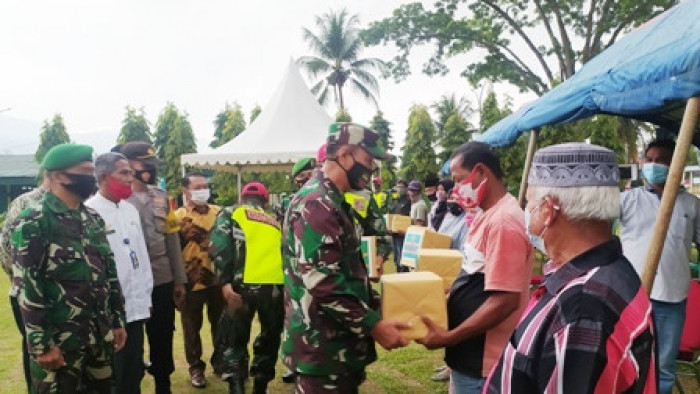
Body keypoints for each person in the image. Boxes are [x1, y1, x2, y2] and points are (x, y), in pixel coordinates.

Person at [485, 143, 657, 393]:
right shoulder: (611, 273)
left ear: (548, 211)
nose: (527, 213)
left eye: (530, 203)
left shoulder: (582, 307)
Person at [283, 122, 409, 393]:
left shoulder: (332, 200)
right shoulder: (318, 204)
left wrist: (381, 304)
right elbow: (324, 282)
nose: (372, 168)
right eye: (368, 159)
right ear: (343, 156)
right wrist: (375, 326)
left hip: (333, 348)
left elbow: (344, 271)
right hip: (322, 351)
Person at [416, 141, 533, 393]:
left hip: (484, 360)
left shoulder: (503, 222)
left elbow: (505, 300)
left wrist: (450, 336)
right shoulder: (485, 215)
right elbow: (476, 275)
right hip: (469, 355)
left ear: (480, 172)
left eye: (458, 180)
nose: (455, 189)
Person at [11, 144, 127, 393]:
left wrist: (117, 321)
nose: (92, 177)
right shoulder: (34, 221)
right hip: (61, 344)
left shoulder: (92, 219)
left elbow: (109, 274)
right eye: (85, 170)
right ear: (60, 175)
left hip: (98, 338)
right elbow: (28, 286)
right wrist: (42, 345)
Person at [619, 138, 699, 394]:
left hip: (672, 298)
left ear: (676, 162)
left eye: (661, 160)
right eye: (649, 159)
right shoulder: (627, 201)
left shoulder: (691, 204)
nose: (653, 165)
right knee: (626, 359)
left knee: (663, 366)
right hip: (632, 296)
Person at [120, 141, 187, 394]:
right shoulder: (117, 199)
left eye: (152, 164)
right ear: (127, 165)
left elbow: (172, 240)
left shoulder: (161, 197)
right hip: (132, 283)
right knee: (131, 338)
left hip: (161, 278)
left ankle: (163, 383)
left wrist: (179, 281)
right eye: (143, 164)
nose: (149, 169)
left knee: (162, 334)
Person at [85, 152, 153, 393]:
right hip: (108, 310)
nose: (129, 178)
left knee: (133, 370)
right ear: (104, 177)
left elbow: (141, 257)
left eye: (131, 173)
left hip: (135, 306)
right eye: (123, 173)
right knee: (113, 373)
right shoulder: (89, 213)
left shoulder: (130, 210)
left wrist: (146, 296)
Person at [211, 181, 284, 394]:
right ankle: (260, 386)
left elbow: (220, 246)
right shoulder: (274, 221)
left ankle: (237, 387)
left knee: (234, 338)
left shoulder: (231, 212)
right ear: (266, 200)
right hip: (274, 288)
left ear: (242, 198)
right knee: (269, 337)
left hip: (242, 287)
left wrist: (224, 282)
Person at [174, 172, 224, 388]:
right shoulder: (177, 217)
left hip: (218, 279)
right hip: (191, 280)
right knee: (191, 327)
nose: (203, 189)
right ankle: (196, 368)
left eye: (205, 185)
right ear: (186, 190)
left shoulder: (220, 213)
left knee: (221, 324)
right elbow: (173, 250)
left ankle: (221, 363)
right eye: (198, 186)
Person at [0, 174, 48, 392]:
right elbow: (7, 251)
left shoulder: (80, 202)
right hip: (27, 293)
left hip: (70, 297)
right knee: (36, 352)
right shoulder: (24, 203)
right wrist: (22, 279)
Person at [388, 179, 411, 273]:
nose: (399, 189)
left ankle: (403, 276)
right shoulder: (395, 200)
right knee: (396, 258)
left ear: (406, 188)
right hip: (394, 233)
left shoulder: (408, 200)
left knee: (402, 258)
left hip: (403, 234)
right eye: (398, 187)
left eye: (401, 187)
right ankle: (398, 274)